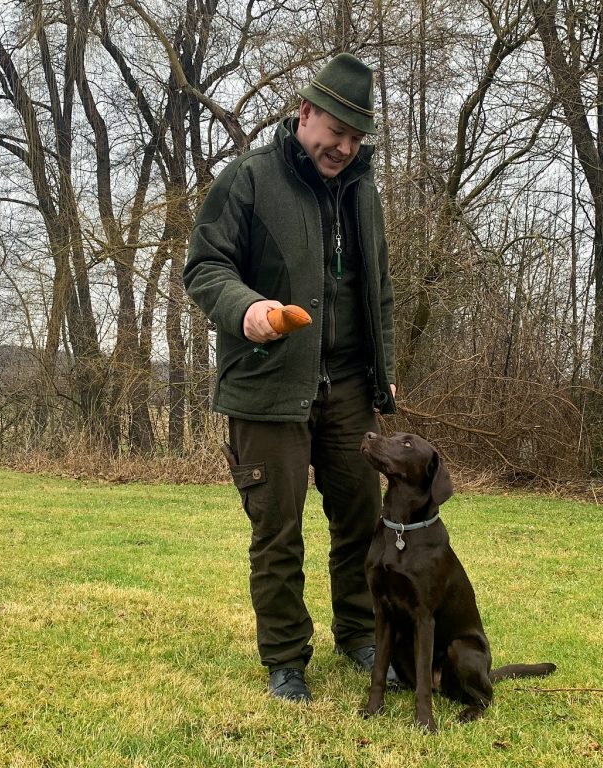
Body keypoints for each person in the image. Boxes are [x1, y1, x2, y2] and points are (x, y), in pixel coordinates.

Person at [184, 53, 397, 702]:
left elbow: (377, 291)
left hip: (350, 389)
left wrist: (384, 373)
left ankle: (361, 635)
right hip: (268, 385)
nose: (344, 147)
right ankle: (285, 661)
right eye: (337, 132)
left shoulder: (364, 191)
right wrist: (247, 310)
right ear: (305, 112)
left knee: (362, 520)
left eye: (356, 138)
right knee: (278, 530)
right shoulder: (248, 180)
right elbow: (203, 267)